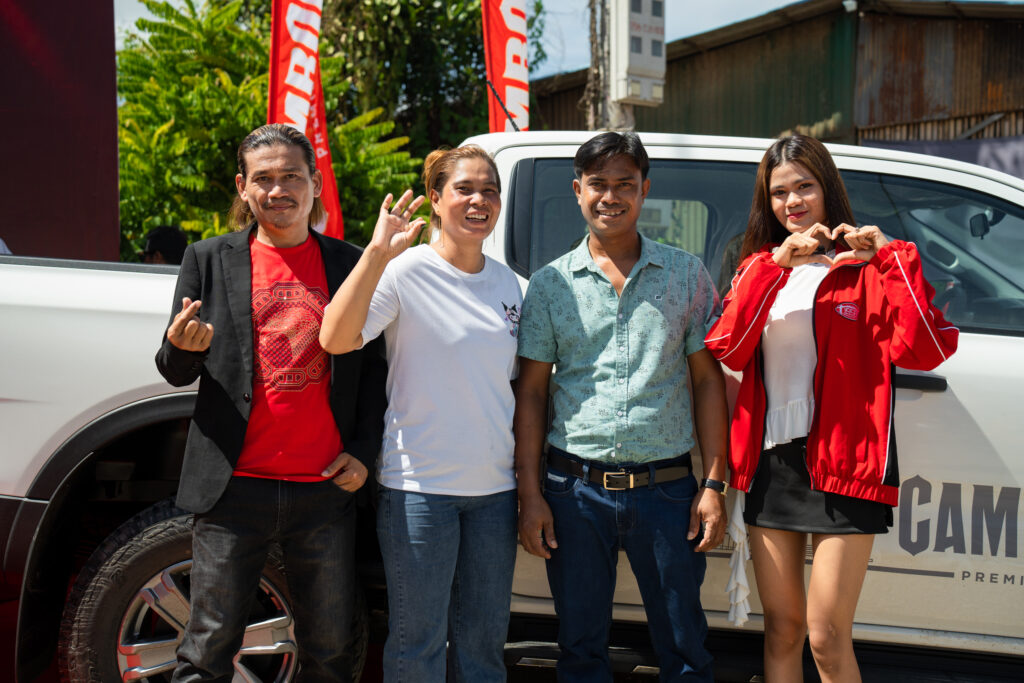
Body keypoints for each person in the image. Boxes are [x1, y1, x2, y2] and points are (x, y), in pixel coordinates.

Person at [704, 134, 959, 682]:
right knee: (783, 630)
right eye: (779, 192)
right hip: (773, 465)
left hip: (849, 462)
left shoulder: (868, 267)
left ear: (827, 189)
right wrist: (777, 265)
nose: (792, 201)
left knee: (826, 637)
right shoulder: (759, 268)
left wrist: (890, 258)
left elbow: (926, 349)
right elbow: (727, 347)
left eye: (805, 186)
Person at [155, 123, 387, 682]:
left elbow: (374, 373)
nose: (278, 189)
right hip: (232, 487)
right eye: (263, 178)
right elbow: (175, 369)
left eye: (291, 176)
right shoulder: (207, 258)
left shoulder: (351, 263)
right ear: (243, 187)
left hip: (324, 491)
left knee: (331, 651)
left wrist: (363, 452)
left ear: (314, 184)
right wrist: (180, 348)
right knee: (206, 649)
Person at [515, 131, 729, 682]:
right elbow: (532, 393)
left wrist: (713, 485)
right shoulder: (550, 285)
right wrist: (531, 495)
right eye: (598, 184)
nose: (610, 197)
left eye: (624, 184)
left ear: (644, 190)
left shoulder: (686, 275)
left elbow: (708, 382)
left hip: (668, 492)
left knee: (685, 648)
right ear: (578, 190)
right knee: (580, 649)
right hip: (573, 492)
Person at [319, 145, 522, 682]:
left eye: (490, 191)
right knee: (418, 647)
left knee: (484, 650)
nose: (479, 201)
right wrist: (375, 255)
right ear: (435, 198)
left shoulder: (512, 286)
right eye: (464, 189)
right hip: (418, 490)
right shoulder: (405, 272)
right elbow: (335, 338)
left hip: (495, 495)